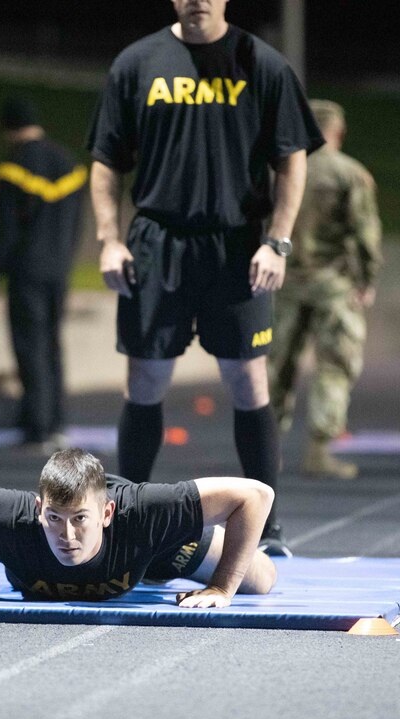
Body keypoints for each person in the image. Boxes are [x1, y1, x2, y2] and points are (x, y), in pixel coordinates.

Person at [87, 0, 321, 555]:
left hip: (237, 245)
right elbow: (105, 161)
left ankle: (268, 526)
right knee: (145, 382)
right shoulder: (137, 63)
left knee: (248, 382)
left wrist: (277, 241)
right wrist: (108, 239)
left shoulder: (262, 64)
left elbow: (292, 158)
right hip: (157, 244)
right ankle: (129, 517)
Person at [0, 447, 277, 608]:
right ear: (39, 510)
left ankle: (158, 569)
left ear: (106, 513)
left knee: (261, 579)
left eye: (80, 520)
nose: (67, 537)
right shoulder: (11, 520)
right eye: (55, 519)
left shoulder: (144, 513)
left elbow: (255, 496)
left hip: (150, 550)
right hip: (122, 552)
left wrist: (221, 587)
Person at [268, 99, 381, 479]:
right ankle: (319, 450)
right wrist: (367, 279)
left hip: (283, 283)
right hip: (333, 285)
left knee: (275, 368)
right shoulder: (350, 174)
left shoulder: (279, 170)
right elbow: (366, 235)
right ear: (339, 131)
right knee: (333, 366)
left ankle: (265, 452)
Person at [0, 98, 86, 451]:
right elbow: (76, 223)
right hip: (59, 269)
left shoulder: (14, 167)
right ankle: (57, 419)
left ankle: (36, 424)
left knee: (29, 346)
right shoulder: (69, 165)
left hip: (25, 271)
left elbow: (6, 225)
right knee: (52, 342)